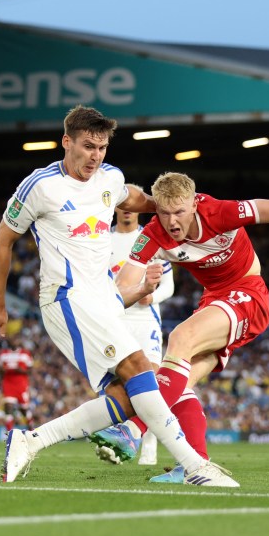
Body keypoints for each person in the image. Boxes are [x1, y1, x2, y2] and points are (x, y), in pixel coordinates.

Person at [0, 104, 237, 487]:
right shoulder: (40, 186)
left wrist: (171, 208)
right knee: (141, 369)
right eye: (87, 146)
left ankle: (31, 440)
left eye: (101, 148)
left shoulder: (109, 178)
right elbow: (2, 243)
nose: (95, 155)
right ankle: (196, 467)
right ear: (66, 142)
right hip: (67, 297)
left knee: (131, 393)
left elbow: (130, 197)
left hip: (103, 298)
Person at [98, 171, 269, 482]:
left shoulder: (220, 212)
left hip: (248, 294)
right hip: (214, 302)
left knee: (181, 337)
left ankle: (134, 428)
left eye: (179, 212)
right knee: (179, 380)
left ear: (194, 204)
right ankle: (194, 466)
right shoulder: (152, 234)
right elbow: (122, 287)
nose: (172, 221)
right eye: (163, 212)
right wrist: (137, 292)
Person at [91, 194, 174, 466]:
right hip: (117, 317)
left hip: (146, 319)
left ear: (138, 209)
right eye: (121, 206)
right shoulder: (103, 239)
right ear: (114, 208)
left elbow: (169, 285)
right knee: (121, 382)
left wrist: (154, 297)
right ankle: (121, 436)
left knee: (150, 379)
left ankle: (147, 441)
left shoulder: (152, 237)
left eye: (131, 207)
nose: (127, 211)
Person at [0, 338, 34, 434]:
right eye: (12, 339)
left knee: (24, 409)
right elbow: (0, 370)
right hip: (8, 383)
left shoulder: (25, 354)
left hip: (21, 384)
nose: (14, 341)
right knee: (8, 407)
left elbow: (30, 370)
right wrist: (3, 370)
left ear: (19, 341)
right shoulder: (3, 354)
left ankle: (31, 429)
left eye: (16, 339)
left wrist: (21, 371)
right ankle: (10, 433)